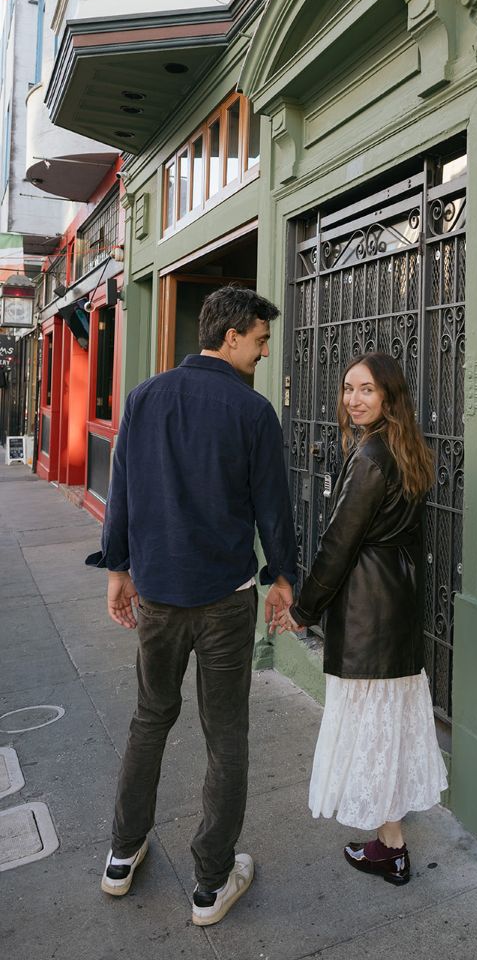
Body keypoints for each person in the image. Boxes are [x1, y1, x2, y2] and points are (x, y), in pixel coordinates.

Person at [94, 285, 297, 926]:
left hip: (157, 594)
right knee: (225, 734)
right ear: (232, 336)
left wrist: (118, 570)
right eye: (260, 341)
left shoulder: (144, 398)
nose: (264, 353)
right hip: (225, 601)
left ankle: (122, 855)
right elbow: (274, 507)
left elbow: (121, 491)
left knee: (149, 720)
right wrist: (284, 577)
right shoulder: (252, 411)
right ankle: (211, 882)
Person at [276, 351, 448, 885]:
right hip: (395, 603)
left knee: (372, 730)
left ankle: (390, 847)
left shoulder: (371, 455)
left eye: (367, 390)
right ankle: (391, 844)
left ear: (389, 396)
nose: (353, 399)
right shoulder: (408, 448)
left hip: (369, 611)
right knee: (388, 728)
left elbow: (337, 544)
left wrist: (303, 609)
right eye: (348, 388)